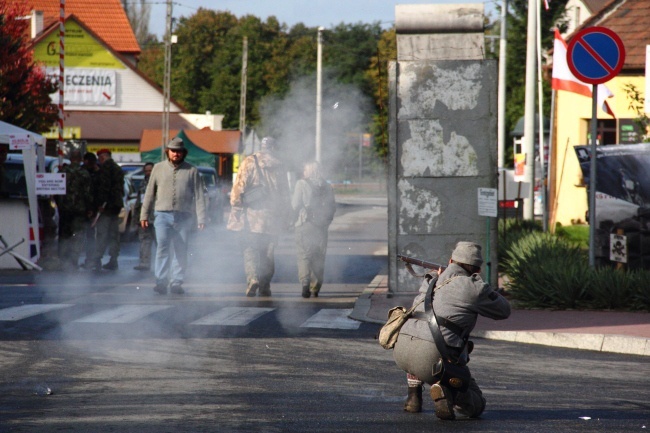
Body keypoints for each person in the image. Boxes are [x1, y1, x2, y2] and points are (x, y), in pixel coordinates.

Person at [393, 241, 510, 420]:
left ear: (450, 261)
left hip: (402, 350)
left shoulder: (430, 279)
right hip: (431, 359)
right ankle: (448, 390)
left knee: (421, 333)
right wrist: (482, 286)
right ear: (477, 270)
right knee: (476, 405)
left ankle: (413, 398)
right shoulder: (473, 287)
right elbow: (504, 310)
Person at [140, 137, 206, 295]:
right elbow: (149, 193)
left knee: (180, 249)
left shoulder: (192, 170)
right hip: (162, 215)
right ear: (168, 152)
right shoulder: (158, 168)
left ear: (184, 153)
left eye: (179, 151)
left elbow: (199, 196)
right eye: (173, 151)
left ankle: (176, 282)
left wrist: (202, 218)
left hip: (184, 216)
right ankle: (161, 281)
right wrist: (144, 214)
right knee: (162, 247)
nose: (176, 154)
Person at [227, 136, 291, 297]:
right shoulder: (280, 166)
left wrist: (235, 209)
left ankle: (253, 278)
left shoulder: (249, 162)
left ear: (260, 147)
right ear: (274, 148)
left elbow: (238, 189)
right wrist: (285, 217)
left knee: (250, 249)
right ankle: (265, 285)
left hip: (251, 217)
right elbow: (285, 196)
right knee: (268, 253)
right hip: (272, 218)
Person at [291, 161, 336, 298]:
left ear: (308, 171)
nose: (303, 172)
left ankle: (305, 283)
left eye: (305, 170)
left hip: (305, 224)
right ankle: (315, 287)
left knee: (304, 255)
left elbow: (295, 205)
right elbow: (332, 208)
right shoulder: (327, 186)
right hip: (321, 226)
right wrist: (326, 223)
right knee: (319, 256)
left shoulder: (301, 184)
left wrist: (292, 220)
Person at [89, 148, 124, 271]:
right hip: (116, 206)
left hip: (105, 207)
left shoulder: (105, 170)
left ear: (103, 157)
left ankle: (97, 259)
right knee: (114, 235)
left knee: (102, 234)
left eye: (99, 158)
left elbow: (104, 189)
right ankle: (113, 259)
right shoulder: (118, 169)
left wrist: (99, 205)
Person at [57, 150, 93, 270]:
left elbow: (56, 190)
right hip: (79, 210)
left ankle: (62, 260)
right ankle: (74, 260)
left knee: (64, 235)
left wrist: (59, 204)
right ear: (81, 159)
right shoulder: (84, 173)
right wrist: (89, 208)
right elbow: (88, 193)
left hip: (65, 209)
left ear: (70, 158)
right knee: (78, 235)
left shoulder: (62, 171)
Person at [133, 162, 155, 271]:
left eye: (150, 170)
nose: (148, 173)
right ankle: (144, 263)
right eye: (146, 171)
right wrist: (137, 217)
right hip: (144, 217)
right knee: (144, 240)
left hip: (156, 217)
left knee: (161, 242)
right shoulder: (143, 183)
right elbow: (139, 201)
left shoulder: (160, 182)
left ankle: (166, 264)